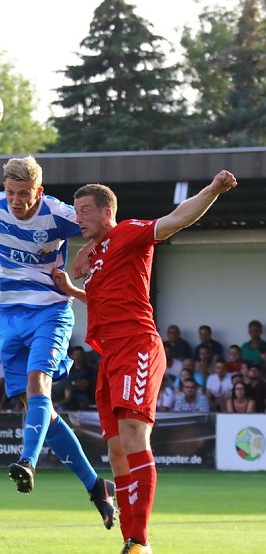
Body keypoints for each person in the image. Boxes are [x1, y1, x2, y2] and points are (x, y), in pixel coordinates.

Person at [53, 169, 238, 554]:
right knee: (116, 451)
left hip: (137, 346)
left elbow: (176, 218)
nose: (78, 217)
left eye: (84, 210)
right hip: (109, 356)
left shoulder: (129, 232)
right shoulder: (97, 255)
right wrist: (72, 289)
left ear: (107, 212)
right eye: (75, 210)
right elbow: (105, 301)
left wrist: (213, 189)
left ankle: (139, 540)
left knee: (134, 437)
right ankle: (131, 541)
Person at [0, 155, 114, 529]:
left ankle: (27, 462)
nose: (16, 200)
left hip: (51, 312)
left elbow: (104, 228)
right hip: (9, 317)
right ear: (4, 189)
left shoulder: (58, 214)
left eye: (24, 194)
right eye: (11, 192)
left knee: (38, 385)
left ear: (38, 191)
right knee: (37, 409)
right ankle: (96, 486)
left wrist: (85, 250)